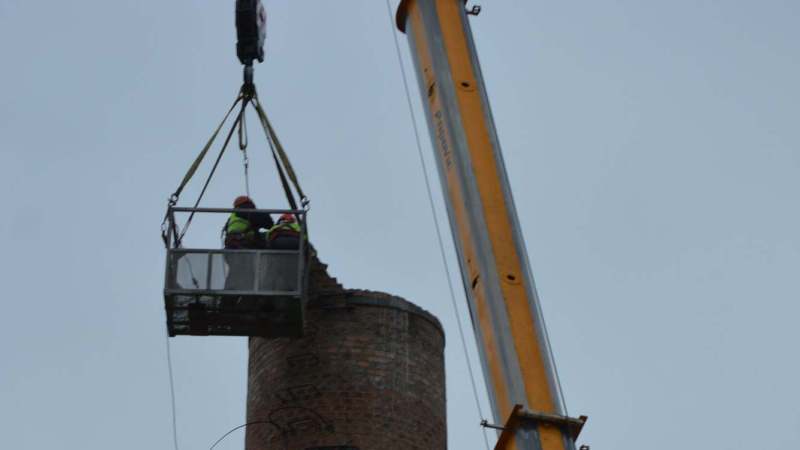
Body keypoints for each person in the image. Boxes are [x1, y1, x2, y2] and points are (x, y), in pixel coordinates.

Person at [223, 195, 274, 291]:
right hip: (242, 249)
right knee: (248, 276)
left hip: (231, 248)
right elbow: (268, 223)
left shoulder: (233, 217)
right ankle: (247, 297)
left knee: (234, 274)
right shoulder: (246, 210)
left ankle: (227, 299)